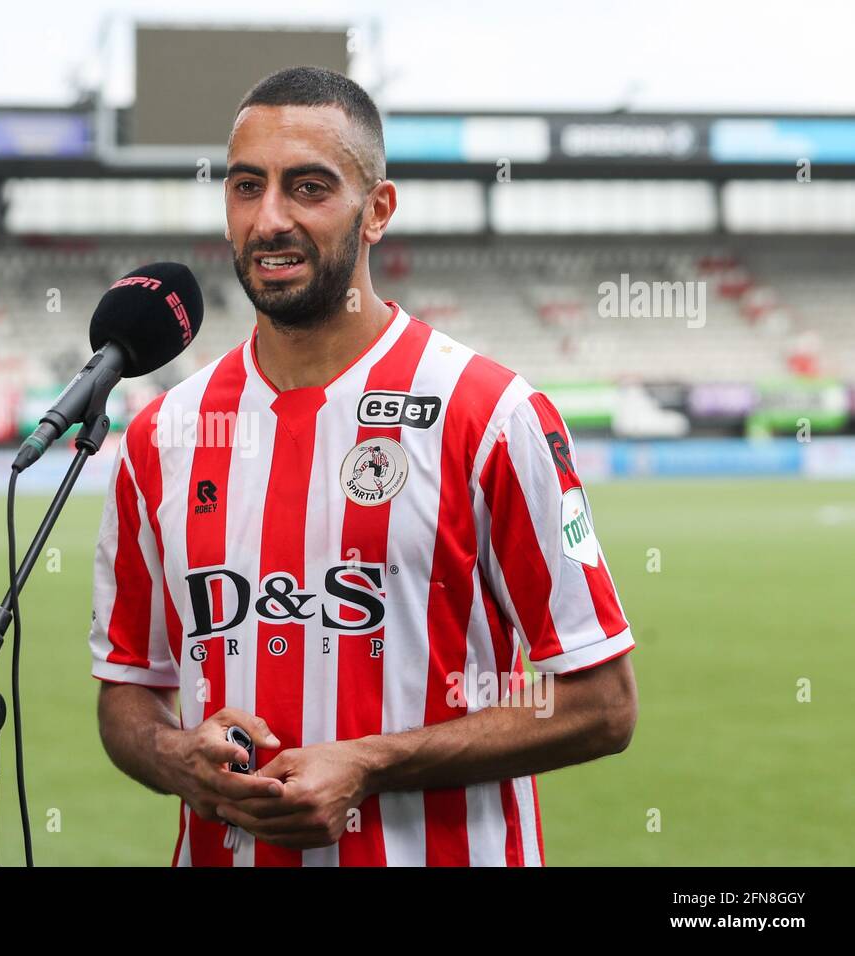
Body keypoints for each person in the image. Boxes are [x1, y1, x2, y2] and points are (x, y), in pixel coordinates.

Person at [89, 67, 638, 867]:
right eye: (247, 187)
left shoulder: (489, 414)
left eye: (308, 188)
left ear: (377, 210)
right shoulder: (161, 437)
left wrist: (372, 762)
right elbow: (129, 692)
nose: (269, 219)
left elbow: (603, 706)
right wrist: (182, 762)